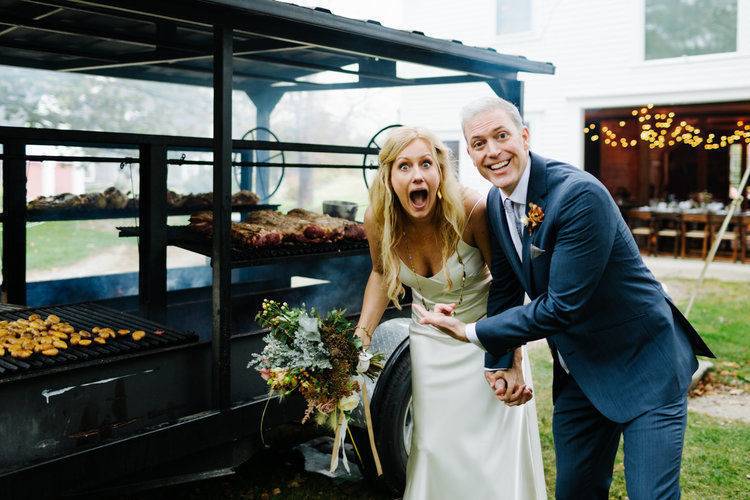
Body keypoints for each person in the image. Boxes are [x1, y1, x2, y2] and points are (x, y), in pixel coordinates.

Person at [415, 96, 715, 500]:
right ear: (469, 153)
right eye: (480, 143)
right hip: (578, 372)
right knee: (575, 492)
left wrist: (470, 331)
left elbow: (562, 306)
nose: (493, 151)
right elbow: (506, 286)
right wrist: (501, 361)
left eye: (501, 136)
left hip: (644, 364)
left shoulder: (578, 196)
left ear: (524, 136)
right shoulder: (494, 203)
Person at [355, 126, 546, 500]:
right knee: (433, 446)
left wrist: (511, 358)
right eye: (404, 166)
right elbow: (379, 274)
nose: (417, 176)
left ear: (440, 170)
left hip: (487, 341)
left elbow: (508, 288)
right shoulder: (378, 219)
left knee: (491, 452)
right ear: (389, 176)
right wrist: (358, 340)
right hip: (430, 344)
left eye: (426, 163)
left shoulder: (473, 210)